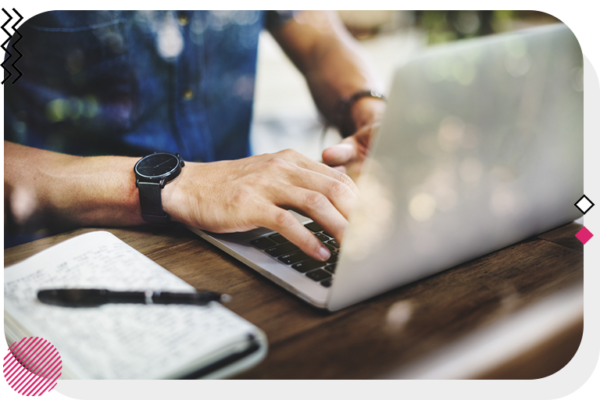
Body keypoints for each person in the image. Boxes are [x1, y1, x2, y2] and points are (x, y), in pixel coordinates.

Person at [3, 10, 386, 260]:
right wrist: (177, 186)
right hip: (60, 254)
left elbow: (320, 38)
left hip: (243, 237)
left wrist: (366, 107)